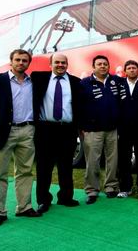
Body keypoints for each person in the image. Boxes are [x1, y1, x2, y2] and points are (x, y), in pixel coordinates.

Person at [0, 49, 42, 229]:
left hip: (27, 131)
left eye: (24, 60)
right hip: (1, 132)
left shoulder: (33, 82)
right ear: (11, 61)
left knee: (25, 172)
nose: (21, 63)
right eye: (17, 60)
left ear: (29, 63)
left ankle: (24, 207)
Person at [32, 53, 81, 214]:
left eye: (63, 63)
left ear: (67, 64)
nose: (60, 65)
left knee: (66, 165)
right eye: (57, 62)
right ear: (50, 64)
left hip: (67, 129)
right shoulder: (38, 78)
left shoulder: (75, 82)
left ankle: (66, 197)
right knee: (44, 167)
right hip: (45, 129)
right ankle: (43, 200)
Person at [80, 55, 125, 204]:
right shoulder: (85, 83)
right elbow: (79, 106)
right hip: (93, 130)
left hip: (112, 128)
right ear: (93, 67)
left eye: (105, 64)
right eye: (99, 64)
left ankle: (111, 186)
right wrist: (83, 126)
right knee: (93, 161)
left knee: (112, 160)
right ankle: (92, 190)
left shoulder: (116, 81)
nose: (103, 66)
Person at [117, 60, 138, 198]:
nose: (132, 70)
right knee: (124, 159)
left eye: (134, 68)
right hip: (124, 128)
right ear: (125, 71)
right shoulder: (120, 84)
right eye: (129, 68)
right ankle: (125, 187)